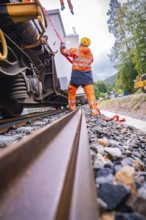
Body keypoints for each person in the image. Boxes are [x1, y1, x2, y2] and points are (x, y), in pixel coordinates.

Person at [60, 37, 98, 116]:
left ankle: (72, 109)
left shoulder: (76, 51)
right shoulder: (91, 55)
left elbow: (64, 52)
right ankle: (94, 111)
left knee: (72, 91)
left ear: (81, 43)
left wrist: (62, 47)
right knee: (90, 94)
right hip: (88, 77)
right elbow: (91, 61)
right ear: (88, 45)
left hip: (77, 75)